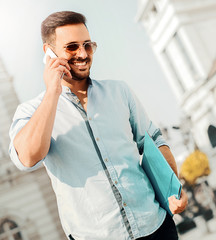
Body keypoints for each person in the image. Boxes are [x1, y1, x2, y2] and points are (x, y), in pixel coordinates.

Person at [8, 11, 187, 240]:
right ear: (49, 52)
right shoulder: (31, 112)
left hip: (155, 227)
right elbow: (27, 158)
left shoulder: (119, 91)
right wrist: (52, 92)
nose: (83, 54)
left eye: (88, 45)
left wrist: (174, 189)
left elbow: (154, 140)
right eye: (72, 47)